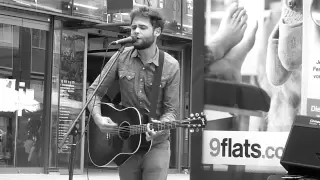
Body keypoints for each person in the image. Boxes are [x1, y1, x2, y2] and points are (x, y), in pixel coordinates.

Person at [86, 6, 180, 180]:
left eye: (143, 28)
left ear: (157, 31)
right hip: (126, 146)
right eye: (133, 27)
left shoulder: (170, 65)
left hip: (156, 146)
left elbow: (172, 111)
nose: (136, 31)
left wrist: (160, 127)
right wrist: (98, 119)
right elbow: (94, 91)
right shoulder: (121, 56)